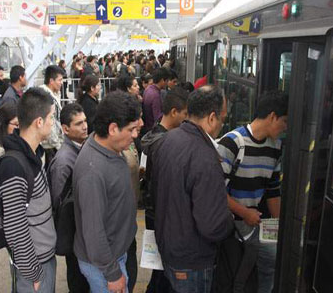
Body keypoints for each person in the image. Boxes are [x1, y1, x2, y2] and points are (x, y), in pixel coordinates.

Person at [153, 86, 234, 293]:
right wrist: (230, 223)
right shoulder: (205, 157)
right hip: (193, 259)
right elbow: (212, 225)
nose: (221, 126)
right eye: (223, 119)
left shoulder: (169, 139)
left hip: (169, 248)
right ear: (212, 117)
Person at [217, 91, 288, 293]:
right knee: (235, 274)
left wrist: (278, 224)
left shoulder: (275, 147)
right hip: (232, 225)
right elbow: (216, 190)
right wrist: (244, 212)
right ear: (273, 116)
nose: (285, 128)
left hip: (255, 223)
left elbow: (273, 189)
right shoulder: (232, 143)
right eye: (284, 122)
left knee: (270, 265)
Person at [73, 91, 141, 293]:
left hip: (116, 253)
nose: (135, 135)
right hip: (105, 265)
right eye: (131, 130)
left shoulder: (109, 148)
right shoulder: (92, 172)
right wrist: (112, 274)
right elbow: (93, 232)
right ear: (112, 129)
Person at [0, 88, 57, 293]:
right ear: (39, 122)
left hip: (43, 258)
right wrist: (34, 273)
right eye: (52, 117)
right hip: (34, 268)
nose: (53, 123)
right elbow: (15, 227)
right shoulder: (14, 166)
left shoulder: (32, 154)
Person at [141, 87, 189, 293]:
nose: (187, 118)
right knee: (162, 271)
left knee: (159, 269)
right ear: (174, 112)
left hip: (156, 210)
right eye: (186, 113)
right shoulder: (165, 143)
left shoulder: (157, 136)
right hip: (161, 212)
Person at [47, 103, 90, 293]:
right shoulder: (64, 161)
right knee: (77, 278)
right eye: (79, 123)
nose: (85, 126)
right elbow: (59, 203)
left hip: (81, 232)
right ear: (65, 129)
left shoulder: (81, 149)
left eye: (85, 121)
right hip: (73, 233)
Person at [39, 65, 64, 169]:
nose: (62, 83)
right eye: (60, 80)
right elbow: (50, 122)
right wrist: (58, 146)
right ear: (51, 81)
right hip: (49, 145)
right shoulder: (44, 97)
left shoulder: (55, 94)